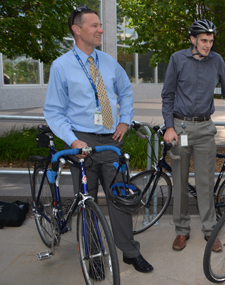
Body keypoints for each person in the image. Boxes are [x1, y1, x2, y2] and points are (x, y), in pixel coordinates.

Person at [43, 6, 153, 274]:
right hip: (81, 143)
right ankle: (93, 256)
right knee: (86, 201)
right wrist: (71, 140)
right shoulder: (61, 66)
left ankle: (129, 251)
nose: (101, 30)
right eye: (94, 25)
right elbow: (54, 111)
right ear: (77, 29)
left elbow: (125, 94)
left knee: (120, 198)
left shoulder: (109, 62)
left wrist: (125, 120)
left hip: (111, 142)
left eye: (100, 25)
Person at [162, 19, 225, 252]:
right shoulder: (177, 59)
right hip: (180, 128)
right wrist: (168, 126)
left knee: (206, 183)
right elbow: (168, 95)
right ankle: (181, 231)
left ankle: (209, 230)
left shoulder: (217, 61)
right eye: (204, 40)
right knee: (181, 182)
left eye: (211, 41)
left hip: (205, 128)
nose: (208, 45)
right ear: (192, 39)